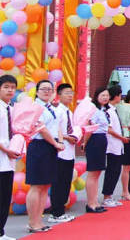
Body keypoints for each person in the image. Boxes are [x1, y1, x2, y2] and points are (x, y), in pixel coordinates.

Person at [26, 80, 65, 233]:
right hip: (39, 146)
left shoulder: (50, 107)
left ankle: (39, 221)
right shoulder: (36, 107)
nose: (47, 92)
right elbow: (41, 129)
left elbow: (56, 127)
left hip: (51, 146)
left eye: (50, 89)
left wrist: (59, 142)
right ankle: (32, 222)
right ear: (36, 92)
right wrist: (55, 143)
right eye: (43, 89)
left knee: (45, 185)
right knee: (36, 185)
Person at [48, 83, 77, 223]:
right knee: (58, 183)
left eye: (71, 93)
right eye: (66, 93)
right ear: (59, 95)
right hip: (60, 152)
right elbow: (54, 131)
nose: (70, 96)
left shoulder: (69, 112)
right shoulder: (57, 111)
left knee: (66, 182)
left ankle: (61, 211)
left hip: (70, 152)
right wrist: (67, 137)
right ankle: (56, 212)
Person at [82, 87, 110, 214]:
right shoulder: (93, 110)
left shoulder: (103, 110)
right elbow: (90, 128)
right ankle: (90, 203)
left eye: (107, 95)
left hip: (102, 139)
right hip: (94, 140)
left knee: (97, 173)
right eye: (102, 95)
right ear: (96, 96)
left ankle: (95, 201)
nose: (105, 98)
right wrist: (85, 142)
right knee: (93, 173)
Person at [102, 85, 127, 208]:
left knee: (116, 170)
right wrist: (122, 137)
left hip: (118, 145)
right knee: (112, 171)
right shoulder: (107, 111)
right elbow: (109, 129)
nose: (121, 97)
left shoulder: (114, 109)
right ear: (116, 96)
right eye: (120, 95)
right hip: (112, 145)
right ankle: (106, 197)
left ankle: (110, 195)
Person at [0, 75, 18, 240]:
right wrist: (6, 150)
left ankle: (1, 231)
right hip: (2, 156)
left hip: (9, 161)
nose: (10, 90)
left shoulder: (11, 109)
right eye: (6, 87)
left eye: (12, 87)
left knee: (5, 197)